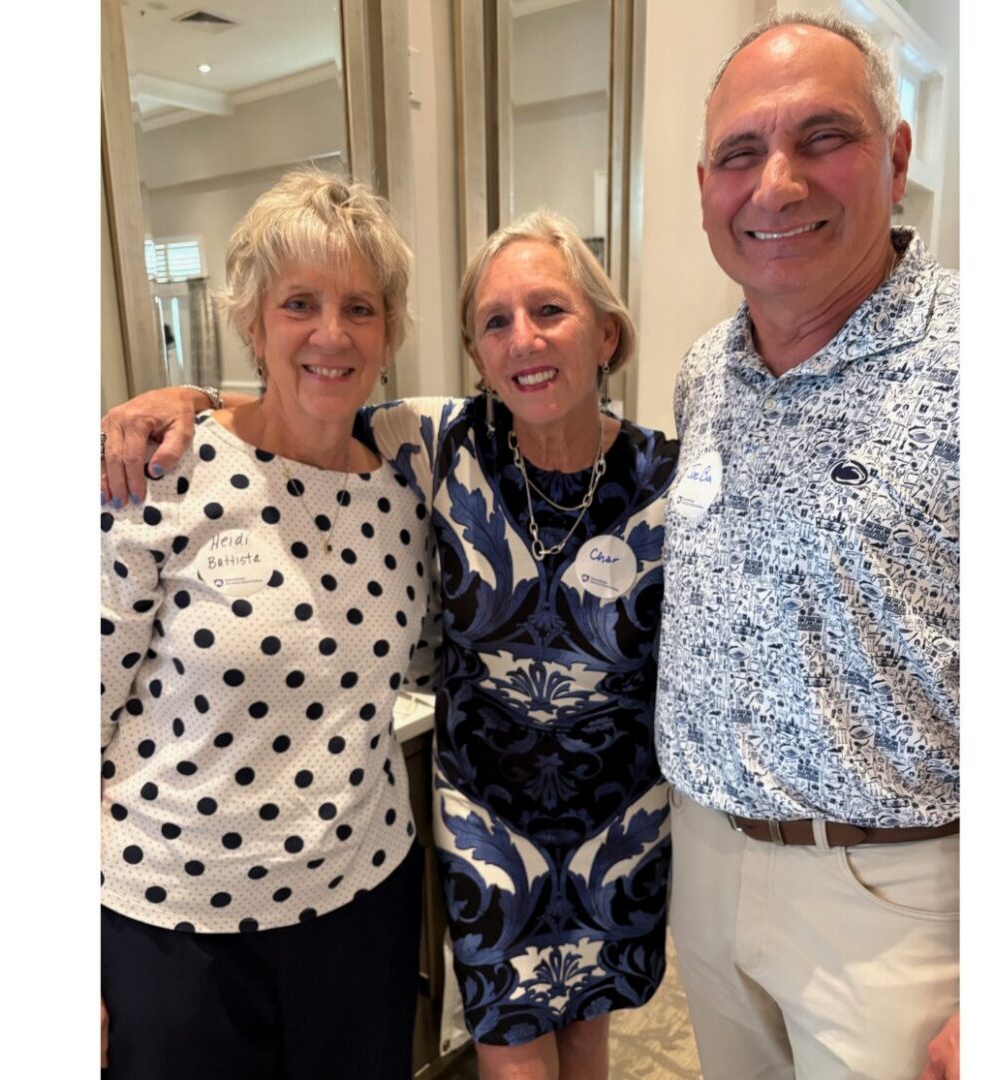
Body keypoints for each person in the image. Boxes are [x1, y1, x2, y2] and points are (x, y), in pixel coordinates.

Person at [102, 209, 679, 1080]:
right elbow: (294, 409)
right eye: (495, 321)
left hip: (553, 842)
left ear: (607, 333)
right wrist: (187, 398)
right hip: (433, 843)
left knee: (586, 1035)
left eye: (360, 308)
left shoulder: (650, 475)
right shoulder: (432, 446)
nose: (523, 340)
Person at [657, 13, 961, 1080]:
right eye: (741, 153)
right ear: (707, 187)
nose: (776, 184)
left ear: (896, 157)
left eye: (822, 137)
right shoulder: (706, 371)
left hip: (896, 900)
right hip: (709, 862)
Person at [99, 168, 437, 1080]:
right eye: (299, 304)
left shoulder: (404, 489)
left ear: (389, 333)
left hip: (361, 909)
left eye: (359, 307)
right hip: (174, 925)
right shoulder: (160, 471)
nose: (332, 333)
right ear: (251, 323)